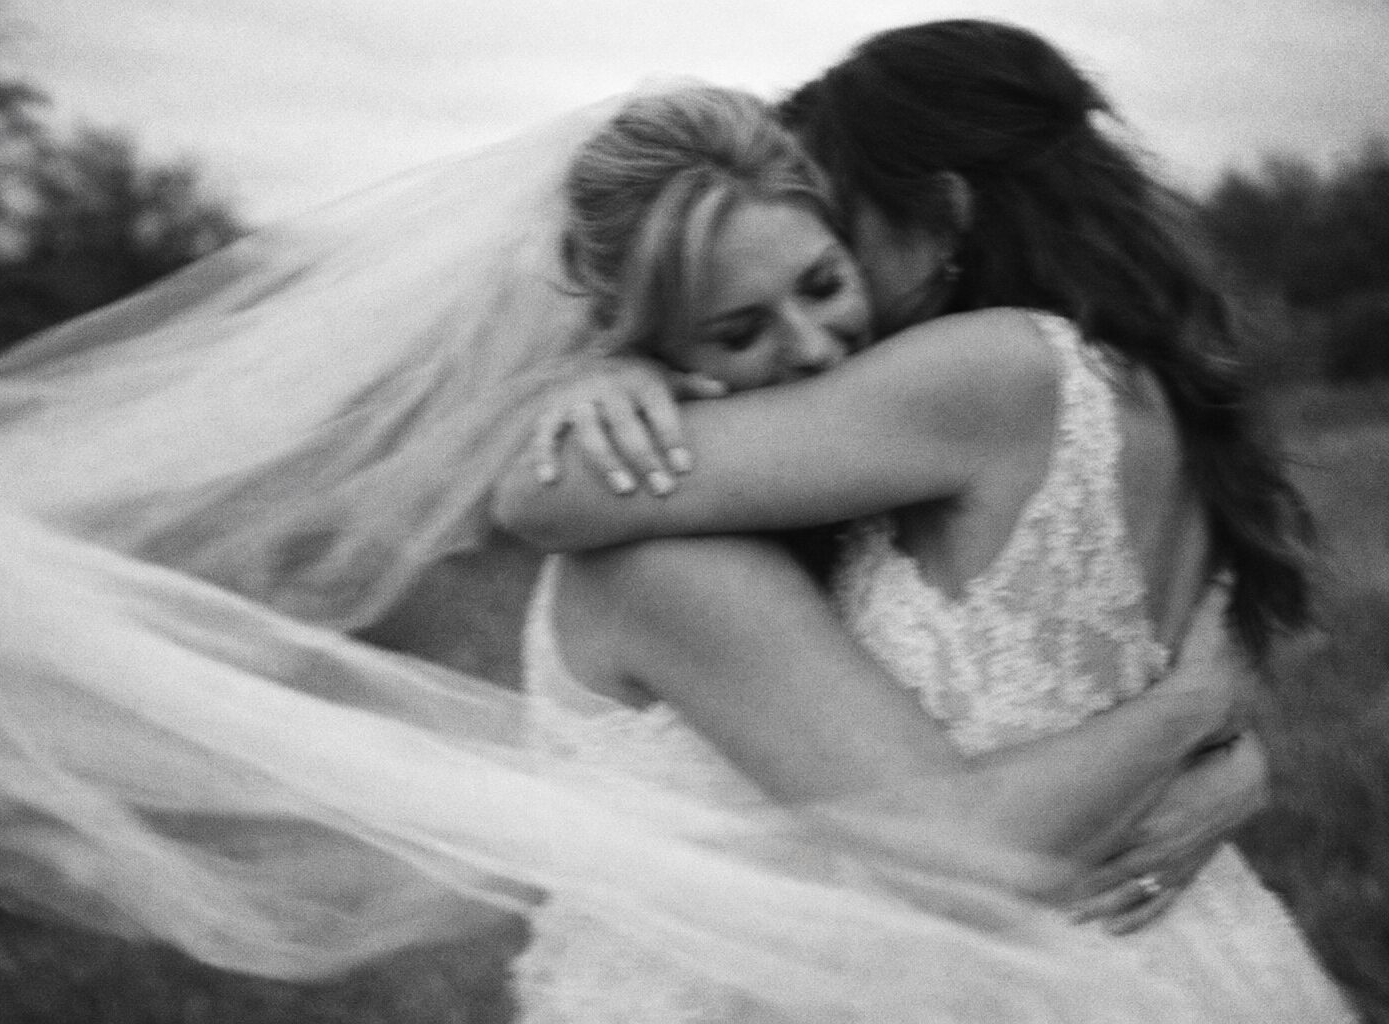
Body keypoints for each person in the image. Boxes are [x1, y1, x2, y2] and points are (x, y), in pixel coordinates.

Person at [493, 24, 1355, 1024]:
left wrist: (622, 376)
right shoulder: (1134, 374)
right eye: (738, 326)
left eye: (832, 262)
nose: (816, 347)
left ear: (940, 215)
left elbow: (539, 494)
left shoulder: (980, 373)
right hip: (1185, 944)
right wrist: (1206, 727)